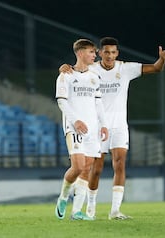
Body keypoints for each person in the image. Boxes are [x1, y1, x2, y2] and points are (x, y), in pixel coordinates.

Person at [59, 37, 165, 220]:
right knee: (94, 169)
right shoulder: (91, 69)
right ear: (99, 53)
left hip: (119, 125)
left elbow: (156, 68)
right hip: (97, 125)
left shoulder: (125, 68)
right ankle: (90, 209)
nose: (110, 56)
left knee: (120, 164)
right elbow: (72, 72)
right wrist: (65, 67)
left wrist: (162, 59)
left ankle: (115, 211)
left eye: (113, 52)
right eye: (106, 52)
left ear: (117, 53)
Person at [54, 38, 108, 221]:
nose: (95, 55)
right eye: (92, 52)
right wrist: (76, 121)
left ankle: (76, 212)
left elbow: (98, 102)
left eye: (95, 52)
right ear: (79, 53)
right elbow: (61, 101)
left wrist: (104, 124)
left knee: (86, 169)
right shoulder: (66, 75)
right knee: (77, 166)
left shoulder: (94, 77)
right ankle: (63, 197)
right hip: (74, 128)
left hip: (92, 128)